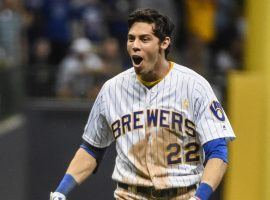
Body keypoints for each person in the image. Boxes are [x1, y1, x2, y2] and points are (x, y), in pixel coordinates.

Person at [50, 8, 235, 200]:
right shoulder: (112, 89)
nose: (135, 45)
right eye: (131, 38)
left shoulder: (194, 86)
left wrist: (200, 196)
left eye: (144, 39)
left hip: (182, 194)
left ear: (164, 43)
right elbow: (92, 149)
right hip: (130, 194)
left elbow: (218, 152)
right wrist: (61, 191)